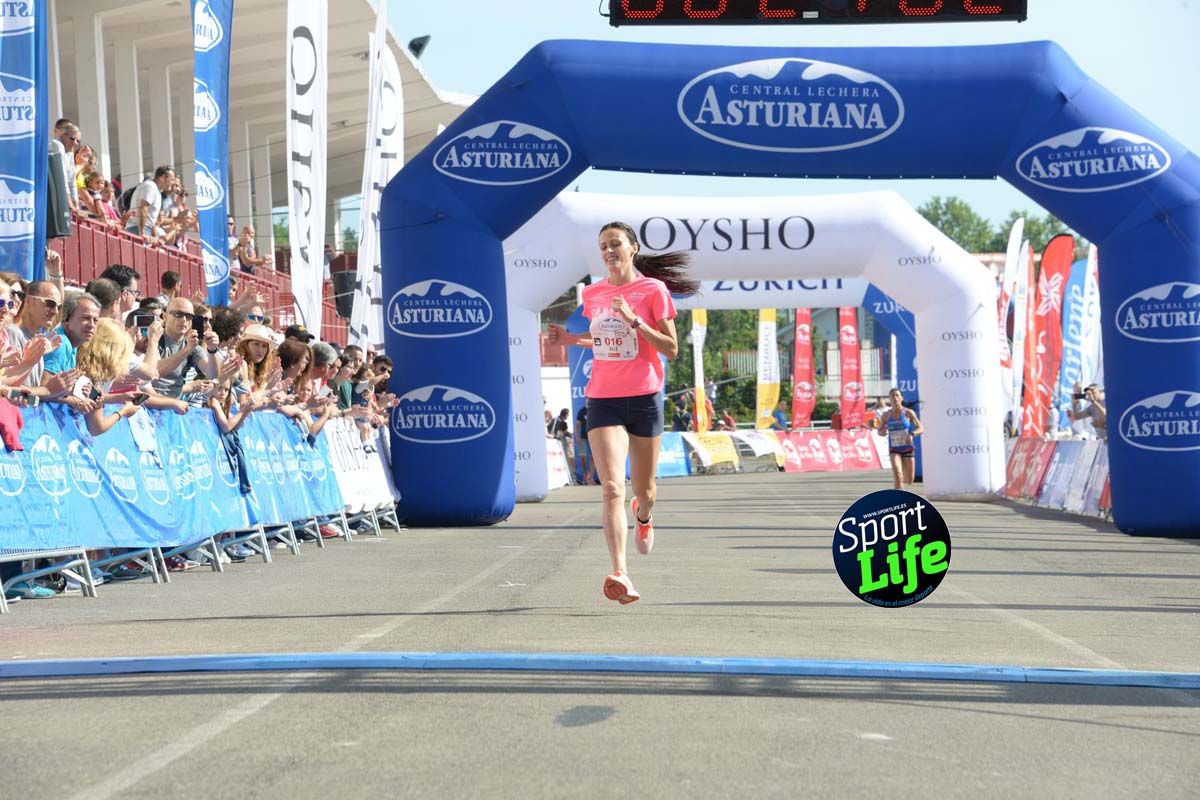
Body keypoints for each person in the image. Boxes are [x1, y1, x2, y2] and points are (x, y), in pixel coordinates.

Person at [547, 221, 697, 604]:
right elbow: (604, 339)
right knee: (612, 488)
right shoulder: (593, 293)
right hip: (604, 399)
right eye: (603, 246)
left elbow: (671, 348)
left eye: (615, 244)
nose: (608, 251)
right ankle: (621, 572)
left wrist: (635, 319)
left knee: (644, 491)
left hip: (644, 398)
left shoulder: (653, 290)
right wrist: (570, 340)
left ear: (632, 248)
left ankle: (643, 517)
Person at [877, 387, 924, 491]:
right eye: (892, 396)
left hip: (907, 449)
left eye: (897, 395)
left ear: (901, 398)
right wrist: (882, 432)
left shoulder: (908, 413)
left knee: (909, 480)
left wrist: (912, 434)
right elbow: (879, 430)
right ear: (889, 399)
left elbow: (921, 428)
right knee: (898, 475)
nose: (895, 397)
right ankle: (899, 500)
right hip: (894, 449)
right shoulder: (886, 415)